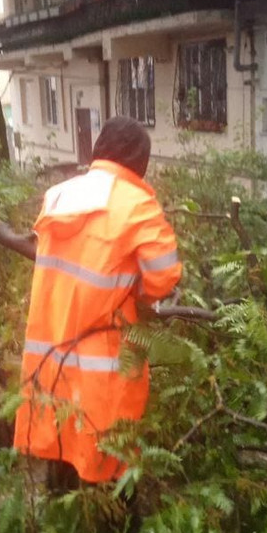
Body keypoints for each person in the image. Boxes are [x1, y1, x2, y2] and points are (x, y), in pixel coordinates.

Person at [14, 117, 182, 486]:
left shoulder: (58, 195)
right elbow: (164, 276)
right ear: (141, 162)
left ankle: (62, 511)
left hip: (51, 345)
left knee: (60, 432)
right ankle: (110, 531)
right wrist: (140, 291)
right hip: (104, 353)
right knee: (108, 451)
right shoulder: (139, 207)